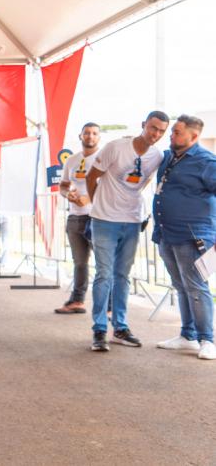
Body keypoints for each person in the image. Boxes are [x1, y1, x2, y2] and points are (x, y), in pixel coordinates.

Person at [86, 111, 169, 351]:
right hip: (104, 219)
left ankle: (120, 327)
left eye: (161, 131)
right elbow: (92, 178)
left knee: (122, 276)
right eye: (153, 128)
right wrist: (97, 205)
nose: (156, 134)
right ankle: (99, 329)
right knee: (104, 274)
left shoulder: (158, 156)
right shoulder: (116, 147)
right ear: (143, 125)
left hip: (132, 220)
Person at [152, 115, 216, 360]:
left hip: (194, 237)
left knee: (197, 288)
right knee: (181, 287)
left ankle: (207, 339)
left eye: (177, 132)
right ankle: (187, 335)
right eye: (172, 132)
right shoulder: (169, 157)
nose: (172, 136)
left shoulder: (207, 162)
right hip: (167, 234)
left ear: (194, 136)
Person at [55, 122, 101, 314]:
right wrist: (69, 195)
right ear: (80, 136)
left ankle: (108, 306)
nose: (90, 136)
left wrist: (89, 197)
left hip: (97, 217)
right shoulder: (72, 160)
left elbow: (111, 187)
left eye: (94, 133)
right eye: (87, 133)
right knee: (80, 262)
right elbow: (63, 185)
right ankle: (77, 300)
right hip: (75, 217)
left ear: (99, 137)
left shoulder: (103, 158)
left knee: (104, 264)